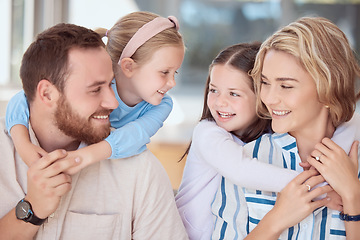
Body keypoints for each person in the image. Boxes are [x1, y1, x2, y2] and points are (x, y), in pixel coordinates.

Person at [0, 23, 188, 239]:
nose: (113, 102)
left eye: (111, 84)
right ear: (47, 94)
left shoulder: (141, 171)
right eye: (95, 89)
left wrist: (81, 158)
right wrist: (32, 209)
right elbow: (21, 99)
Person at [211, 16, 360, 239]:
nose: (269, 98)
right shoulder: (245, 160)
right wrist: (276, 219)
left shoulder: (354, 164)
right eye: (265, 82)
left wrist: (352, 197)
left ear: (329, 88)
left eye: (286, 86)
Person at [5, 11, 185, 174]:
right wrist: (23, 145)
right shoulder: (103, 83)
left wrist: (81, 157)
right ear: (128, 66)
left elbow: (135, 135)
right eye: (164, 72)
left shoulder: (163, 105)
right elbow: (25, 97)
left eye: (174, 72)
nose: (172, 82)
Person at [176, 42, 302, 240]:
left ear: (262, 98)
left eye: (234, 93)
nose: (219, 102)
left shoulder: (271, 138)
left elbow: (349, 124)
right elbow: (241, 169)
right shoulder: (207, 133)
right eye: (213, 90)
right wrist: (314, 187)